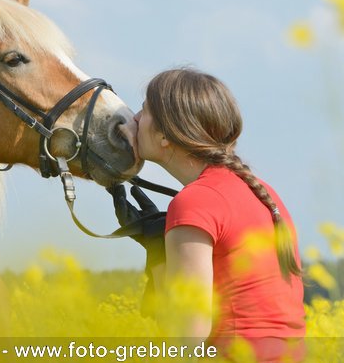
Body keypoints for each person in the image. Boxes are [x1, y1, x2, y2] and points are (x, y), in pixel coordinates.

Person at [108, 68, 305, 362]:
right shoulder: (263, 192)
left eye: (144, 110)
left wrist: (159, 258)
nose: (134, 119)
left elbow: (186, 337)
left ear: (165, 135)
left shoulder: (195, 201)